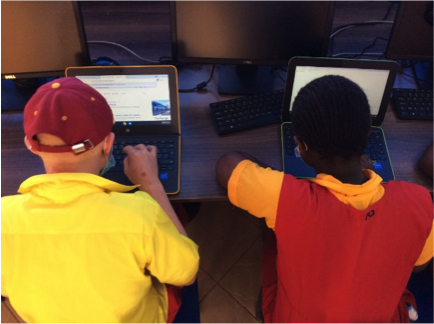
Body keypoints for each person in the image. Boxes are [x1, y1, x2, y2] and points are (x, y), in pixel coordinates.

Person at [216, 75, 434, 324]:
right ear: (367, 134)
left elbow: (227, 164)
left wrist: (286, 183)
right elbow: (418, 266)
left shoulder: (287, 200)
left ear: (300, 146)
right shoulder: (418, 199)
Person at [1, 77, 199, 324]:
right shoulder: (140, 213)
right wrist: (151, 185)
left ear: (31, 146)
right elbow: (187, 274)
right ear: (109, 143)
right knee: (182, 225)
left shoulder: (3, 218)